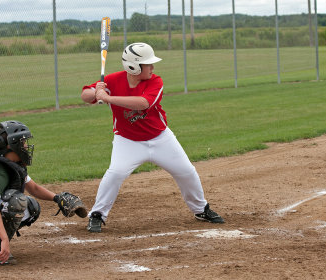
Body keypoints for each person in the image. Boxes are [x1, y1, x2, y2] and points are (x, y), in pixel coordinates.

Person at [81, 42, 224, 233]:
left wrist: (107, 98)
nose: (152, 68)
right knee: (115, 173)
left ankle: (201, 209)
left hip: (160, 139)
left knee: (186, 172)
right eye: (148, 64)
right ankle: (97, 214)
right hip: (128, 141)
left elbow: (142, 103)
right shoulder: (113, 80)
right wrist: (96, 90)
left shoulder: (155, 81)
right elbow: (84, 95)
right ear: (134, 66)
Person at [0, 120, 86, 265]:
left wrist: (57, 198)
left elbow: (33, 188)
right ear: (11, 146)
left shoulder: (10, 165)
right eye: (22, 142)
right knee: (15, 202)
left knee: (31, 207)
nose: (26, 146)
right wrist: (4, 239)